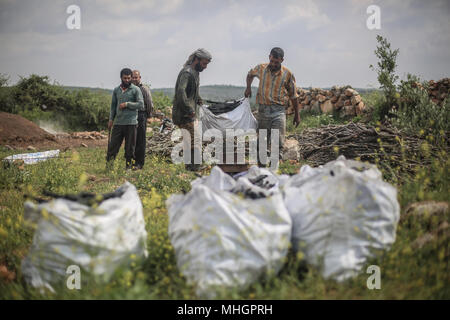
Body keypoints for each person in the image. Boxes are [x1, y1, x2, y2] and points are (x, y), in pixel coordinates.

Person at [245, 47, 300, 169]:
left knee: (277, 141)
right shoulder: (261, 68)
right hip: (263, 111)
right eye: (272, 61)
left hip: (278, 112)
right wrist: (248, 87)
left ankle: (274, 170)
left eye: (277, 62)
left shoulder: (287, 74)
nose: (274, 64)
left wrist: (297, 114)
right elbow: (250, 75)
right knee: (262, 141)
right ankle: (261, 170)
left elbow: (293, 95)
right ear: (269, 57)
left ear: (282, 60)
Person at [172, 48, 212, 171]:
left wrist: (198, 98)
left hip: (189, 112)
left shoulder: (195, 73)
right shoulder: (187, 73)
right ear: (196, 60)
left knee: (189, 141)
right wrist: (190, 109)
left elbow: (192, 92)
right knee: (196, 139)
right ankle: (195, 167)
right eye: (204, 63)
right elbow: (181, 92)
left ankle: (190, 168)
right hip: (185, 114)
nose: (205, 67)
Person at [106, 68, 144, 169]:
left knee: (129, 148)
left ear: (131, 78)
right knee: (113, 146)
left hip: (131, 123)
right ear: (121, 78)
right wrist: (111, 120)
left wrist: (127, 104)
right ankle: (109, 166)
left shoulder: (136, 90)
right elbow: (113, 106)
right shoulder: (116, 90)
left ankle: (129, 167)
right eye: (125, 78)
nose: (127, 80)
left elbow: (141, 105)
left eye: (129, 78)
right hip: (118, 123)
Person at [131, 70, 154, 170]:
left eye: (136, 77)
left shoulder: (144, 88)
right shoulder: (130, 88)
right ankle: (132, 161)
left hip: (141, 115)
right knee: (132, 139)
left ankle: (140, 163)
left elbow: (149, 103)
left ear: (140, 77)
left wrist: (148, 116)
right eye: (133, 77)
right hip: (131, 115)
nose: (135, 79)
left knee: (141, 139)